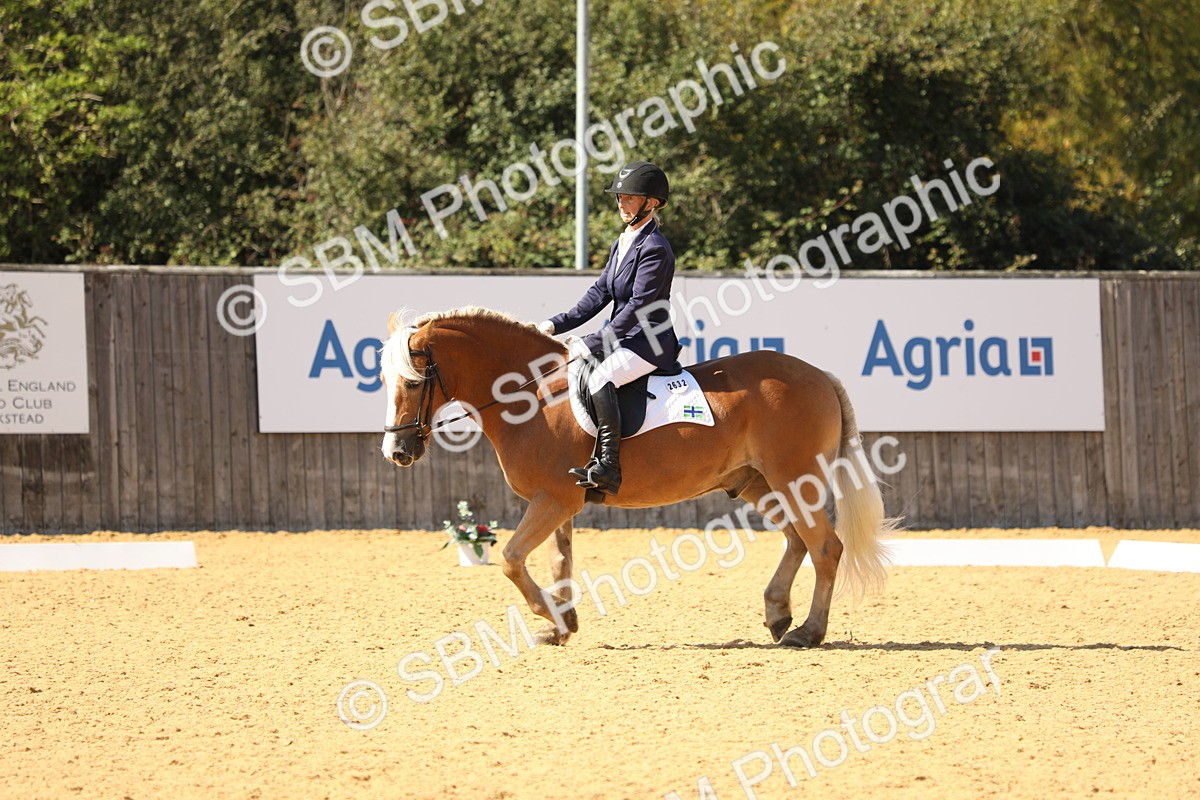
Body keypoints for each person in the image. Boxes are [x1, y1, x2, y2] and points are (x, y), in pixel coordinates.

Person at [537, 161, 680, 496]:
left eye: (630, 197)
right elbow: (601, 292)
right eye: (619, 196)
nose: (621, 202)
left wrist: (597, 342)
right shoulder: (625, 241)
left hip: (648, 342)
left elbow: (638, 306)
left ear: (652, 202)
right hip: (624, 338)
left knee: (602, 378)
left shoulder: (655, 248)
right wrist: (556, 323)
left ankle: (607, 467)